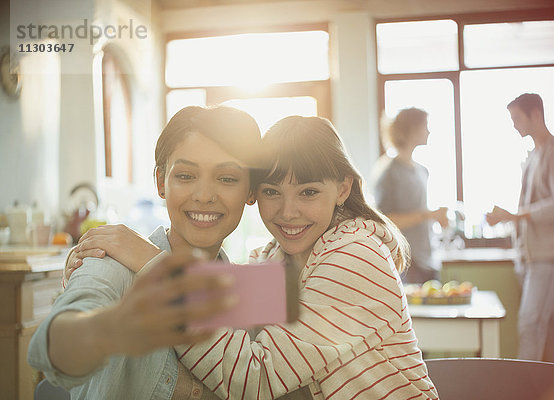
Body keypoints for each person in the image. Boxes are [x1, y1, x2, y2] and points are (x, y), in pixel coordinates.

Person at [66, 116, 438, 399]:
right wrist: (101, 264)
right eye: (271, 191)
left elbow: (255, 378)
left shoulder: (355, 258)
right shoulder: (272, 261)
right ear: (253, 193)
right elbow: (211, 325)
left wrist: (151, 263)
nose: (288, 212)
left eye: (308, 192)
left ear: (343, 188)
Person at [28, 105, 265, 399]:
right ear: (161, 182)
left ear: (251, 191)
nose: (204, 195)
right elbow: (64, 337)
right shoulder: (111, 262)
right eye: (187, 176)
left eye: (227, 178)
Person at [486, 93, 554, 364]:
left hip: (551, 255)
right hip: (533, 256)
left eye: (517, 118)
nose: (514, 125)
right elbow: (531, 208)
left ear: (536, 115)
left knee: (530, 325)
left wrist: (515, 216)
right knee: (550, 329)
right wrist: (508, 218)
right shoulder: (534, 156)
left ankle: (524, 390)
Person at [371, 108, 448, 284]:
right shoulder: (389, 172)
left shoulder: (422, 170)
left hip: (427, 258)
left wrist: (434, 217)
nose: (429, 131)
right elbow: (385, 220)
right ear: (412, 129)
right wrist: (428, 215)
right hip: (405, 263)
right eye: (425, 126)